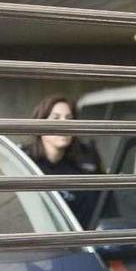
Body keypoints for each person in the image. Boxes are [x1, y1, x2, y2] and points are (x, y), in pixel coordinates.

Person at [25, 94, 104, 227]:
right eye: (55, 118)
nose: (64, 124)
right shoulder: (26, 162)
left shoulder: (86, 163)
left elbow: (106, 208)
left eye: (69, 118)